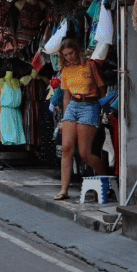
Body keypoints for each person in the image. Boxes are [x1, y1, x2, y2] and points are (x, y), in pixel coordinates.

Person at [55, 39, 107, 201]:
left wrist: (102, 109)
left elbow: (102, 89)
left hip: (89, 105)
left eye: (71, 53)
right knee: (66, 149)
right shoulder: (65, 70)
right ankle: (64, 190)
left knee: (85, 152)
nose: (69, 57)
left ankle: (106, 179)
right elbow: (66, 96)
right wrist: (64, 119)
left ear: (77, 50)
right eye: (65, 55)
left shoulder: (90, 65)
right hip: (72, 107)